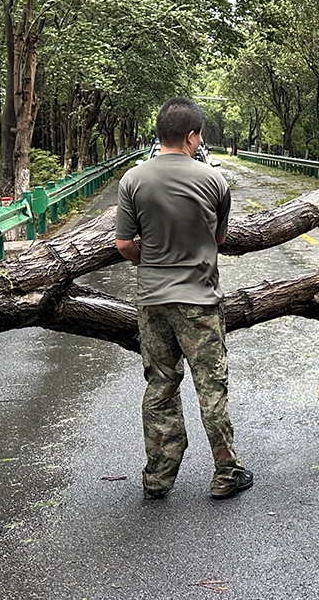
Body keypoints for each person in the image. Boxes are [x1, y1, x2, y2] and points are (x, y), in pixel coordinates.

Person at [115, 97, 252, 500]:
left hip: (153, 299)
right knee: (211, 388)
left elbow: (124, 244)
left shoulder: (133, 180)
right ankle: (226, 474)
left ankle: (158, 477)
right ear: (192, 136)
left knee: (160, 386)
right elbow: (220, 239)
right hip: (200, 300)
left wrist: (153, 263)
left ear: (160, 134)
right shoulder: (214, 181)